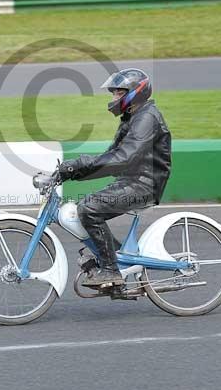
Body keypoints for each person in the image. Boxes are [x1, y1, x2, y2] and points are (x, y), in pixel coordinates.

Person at [58, 69, 172, 288]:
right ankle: (115, 261)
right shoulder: (132, 117)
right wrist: (72, 172)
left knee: (90, 208)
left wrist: (78, 165)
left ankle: (111, 271)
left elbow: (123, 157)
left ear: (135, 93)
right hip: (132, 181)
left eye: (118, 93)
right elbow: (110, 158)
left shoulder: (147, 117)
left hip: (145, 185)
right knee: (86, 206)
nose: (114, 99)